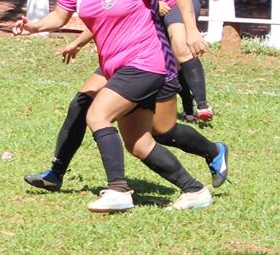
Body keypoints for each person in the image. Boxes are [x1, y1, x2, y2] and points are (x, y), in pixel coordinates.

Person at [14, 0, 211, 212]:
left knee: (97, 114)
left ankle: (118, 190)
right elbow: (60, 16)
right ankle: (194, 190)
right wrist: (34, 26)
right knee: (139, 143)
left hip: (145, 62)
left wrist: (192, 31)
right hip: (117, 68)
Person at [23, 24, 229, 198]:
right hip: (118, 59)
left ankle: (212, 152)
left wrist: (190, 33)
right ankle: (56, 174)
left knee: (162, 132)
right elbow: (101, 16)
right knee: (82, 103)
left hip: (150, 61)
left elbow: (177, 0)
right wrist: (77, 41)